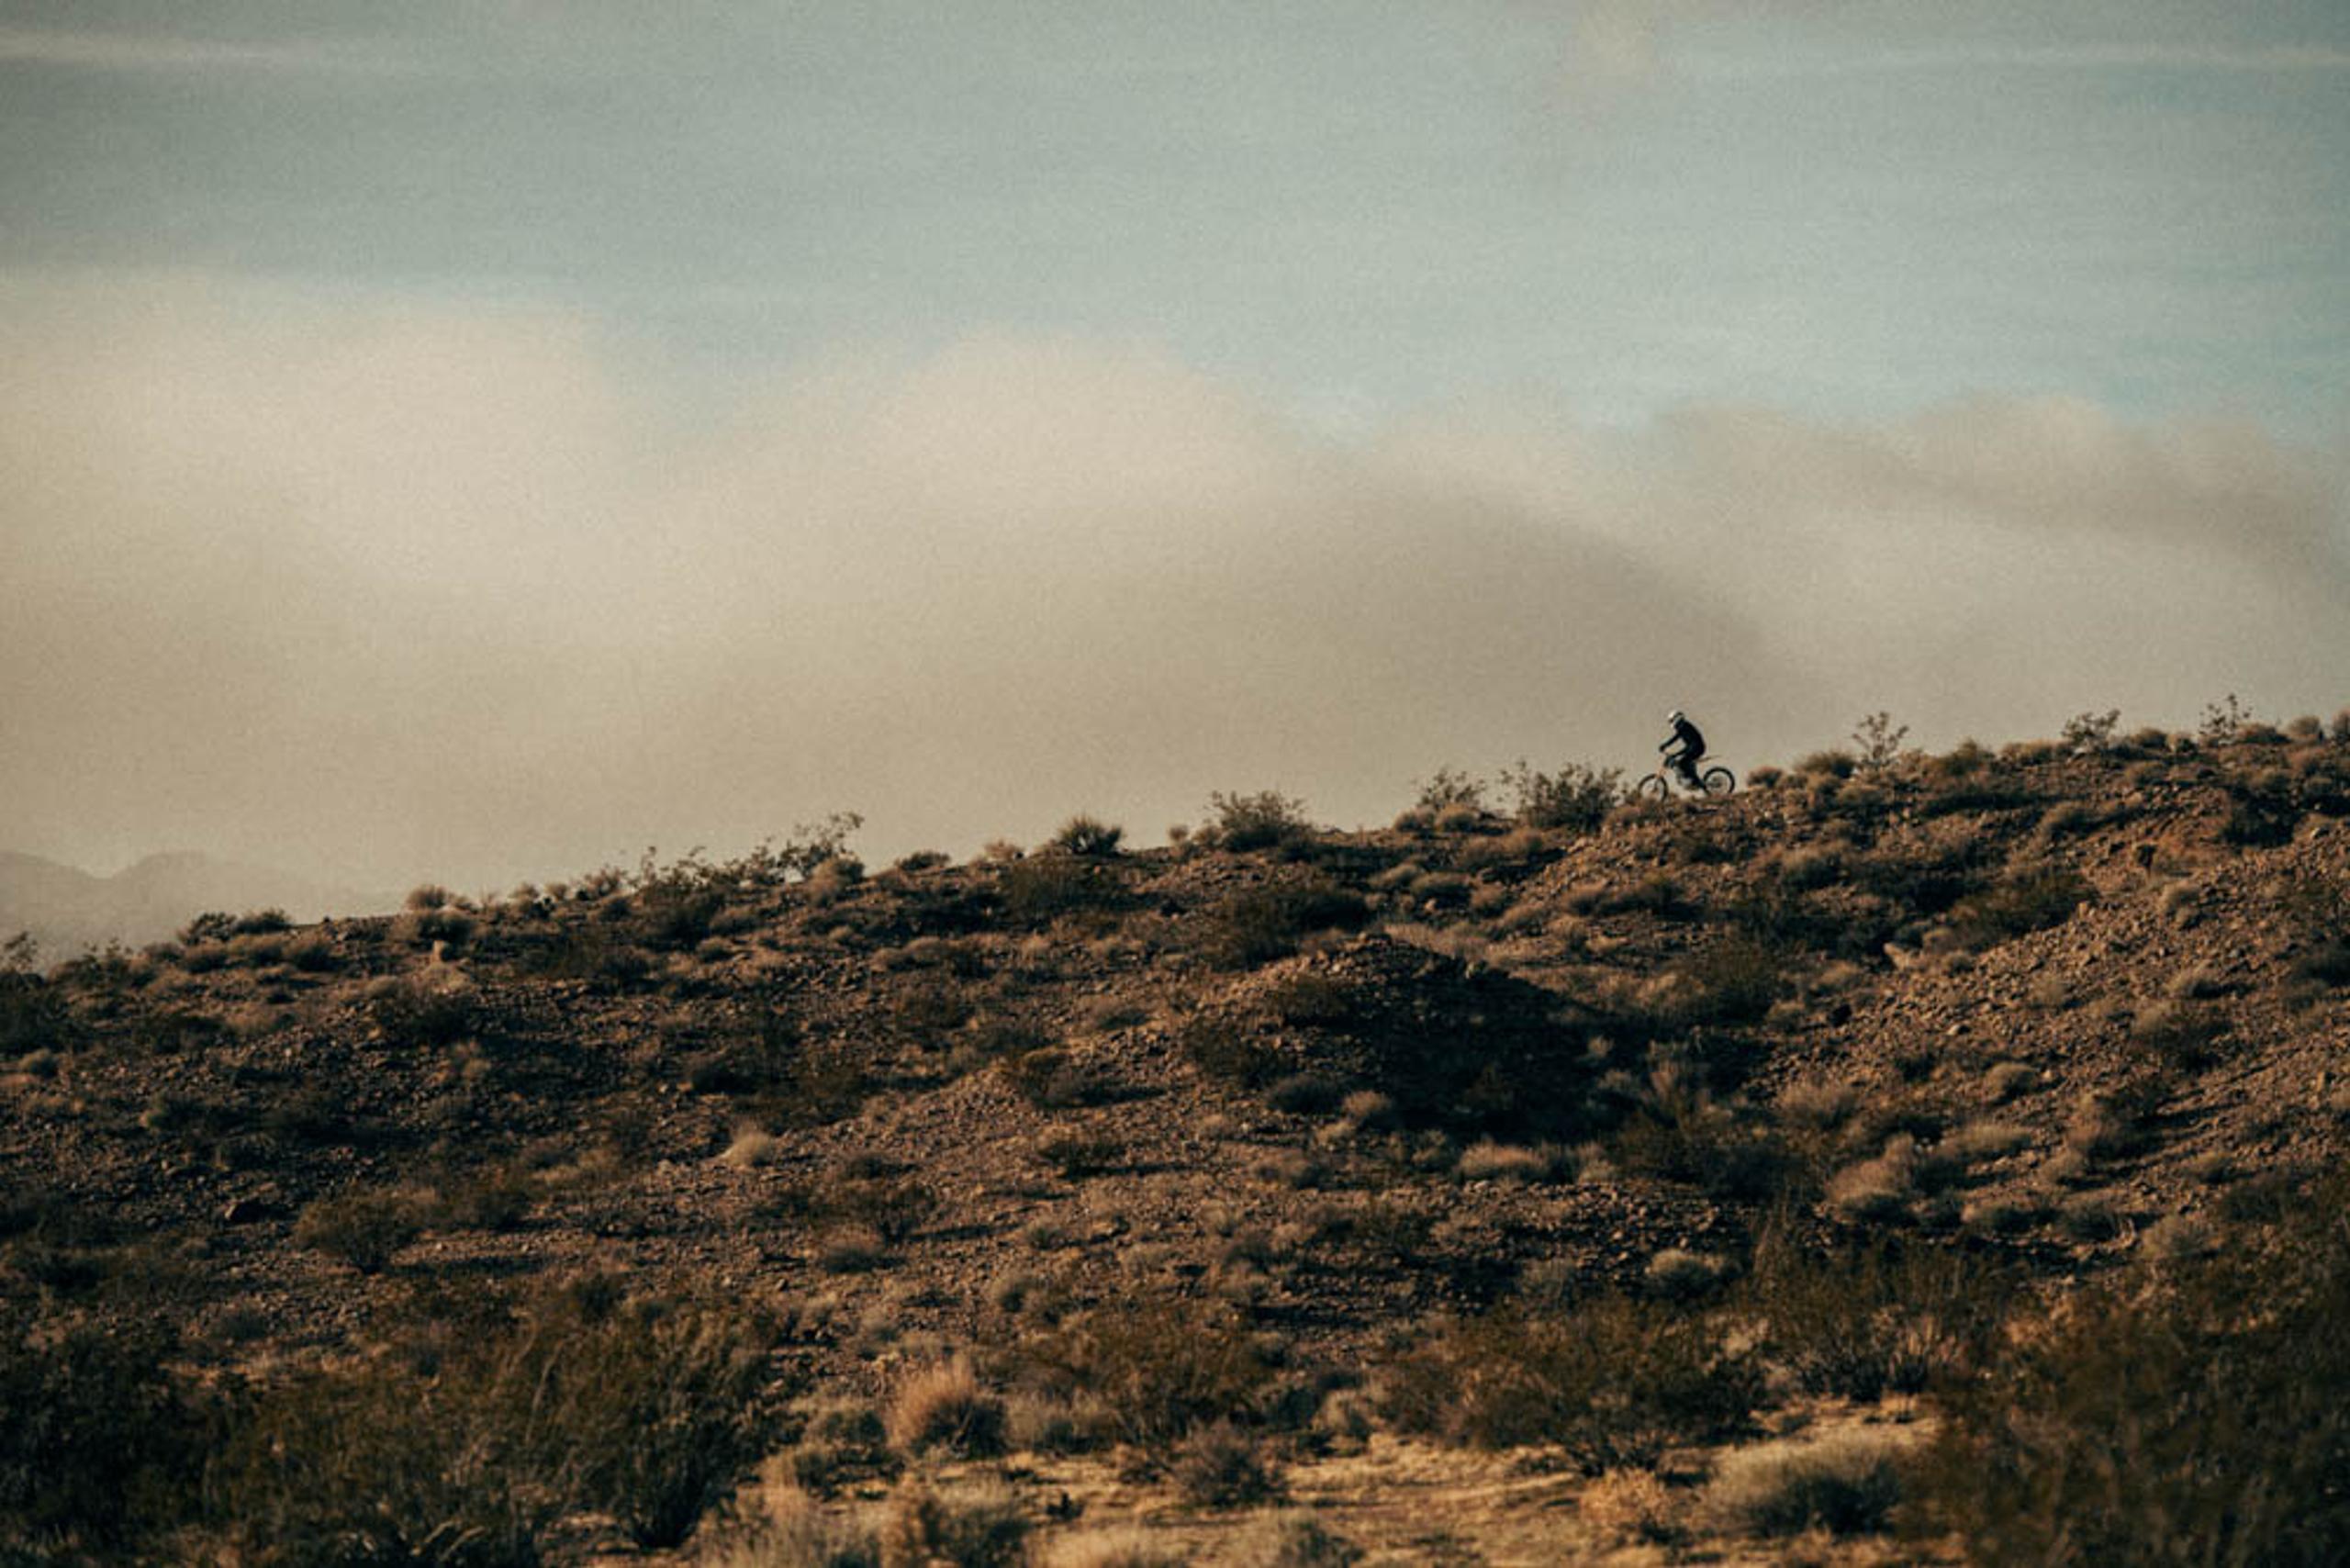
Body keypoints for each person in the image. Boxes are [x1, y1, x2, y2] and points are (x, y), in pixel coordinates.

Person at [1661, 709, 1707, 787]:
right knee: (1680, 760)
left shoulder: (1685, 727)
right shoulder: (1683, 727)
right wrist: (1665, 745)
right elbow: (1676, 738)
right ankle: (1687, 777)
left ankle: (1695, 781)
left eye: (1671, 720)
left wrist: (1669, 747)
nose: (1671, 723)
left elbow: (1677, 738)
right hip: (1693, 748)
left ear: (1676, 718)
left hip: (1697, 748)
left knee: (1683, 762)